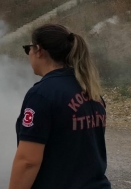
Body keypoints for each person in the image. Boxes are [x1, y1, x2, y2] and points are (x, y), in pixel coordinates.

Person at [8, 24, 111, 189]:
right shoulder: (90, 89)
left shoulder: (41, 94)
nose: (29, 55)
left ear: (38, 50)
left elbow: (28, 161)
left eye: (28, 49)